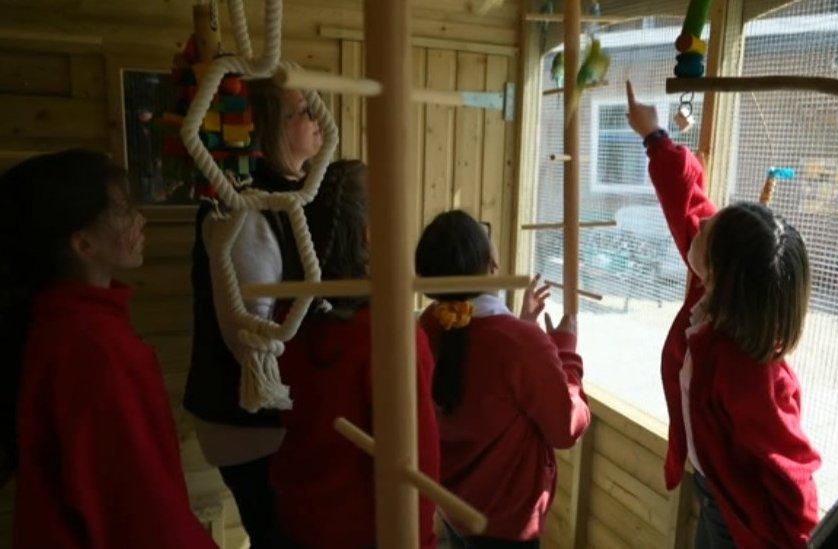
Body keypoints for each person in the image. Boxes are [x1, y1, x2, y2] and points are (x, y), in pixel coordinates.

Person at [626, 80, 821, 549]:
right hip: (711, 485)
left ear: (717, 271)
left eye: (709, 232)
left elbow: (794, 478)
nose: (703, 222)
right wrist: (654, 136)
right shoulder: (714, 293)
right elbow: (686, 203)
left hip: (747, 523)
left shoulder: (754, 376)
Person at [1, 150, 216, 548]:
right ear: (82, 243)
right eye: (122, 212)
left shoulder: (63, 325)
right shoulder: (93, 347)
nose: (141, 219)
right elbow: (140, 506)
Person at [270, 160, 440, 548]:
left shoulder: (288, 319)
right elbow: (417, 464)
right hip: (362, 533)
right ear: (369, 235)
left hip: (297, 520)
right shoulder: (390, 339)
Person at [183, 78, 324, 547]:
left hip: (260, 423)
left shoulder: (288, 198)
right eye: (304, 111)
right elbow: (252, 341)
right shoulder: (247, 210)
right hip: (249, 427)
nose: (317, 119)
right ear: (270, 129)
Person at [415, 210, 590, 548]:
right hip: (508, 523)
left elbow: (480, 378)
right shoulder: (518, 343)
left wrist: (524, 324)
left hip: (452, 506)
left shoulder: (427, 327)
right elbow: (566, 428)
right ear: (492, 266)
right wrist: (566, 351)